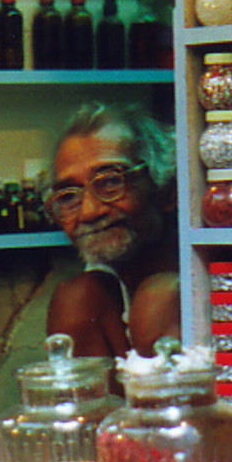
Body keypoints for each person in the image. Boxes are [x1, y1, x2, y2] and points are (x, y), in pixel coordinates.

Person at [44, 101, 180, 365]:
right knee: (76, 299)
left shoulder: (190, 283)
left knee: (159, 298)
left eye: (111, 182)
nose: (89, 212)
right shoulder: (88, 299)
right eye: (69, 195)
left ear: (167, 189)